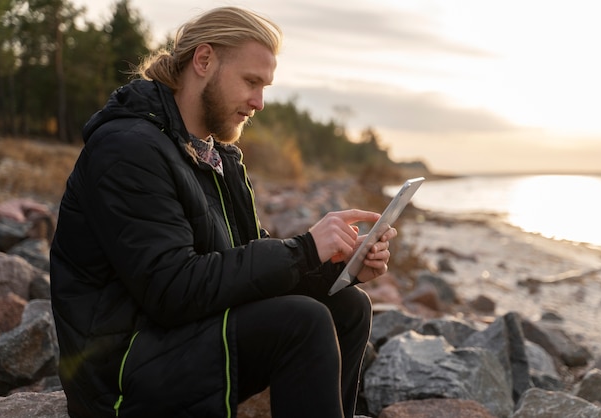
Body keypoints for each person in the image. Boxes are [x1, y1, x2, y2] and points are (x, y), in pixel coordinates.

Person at [50, 6, 397, 418]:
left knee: (349, 305)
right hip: (120, 371)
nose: (260, 102)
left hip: (178, 339)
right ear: (204, 60)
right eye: (251, 82)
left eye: (264, 86)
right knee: (300, 322)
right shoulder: (127, 148)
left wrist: (339, 265)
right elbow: (172, 289)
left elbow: (240, 259)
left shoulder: (216, 157)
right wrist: (304, 248)